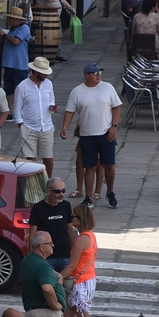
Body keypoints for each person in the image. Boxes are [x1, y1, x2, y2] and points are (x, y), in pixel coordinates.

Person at [61, 62, 121, 210]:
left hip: (106, 133)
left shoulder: (107, 88)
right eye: (95, 73)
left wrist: (114, 126)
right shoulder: (77, 91)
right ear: (87, 75)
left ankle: (110, 192)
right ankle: (88, 197)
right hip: (87, 134)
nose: (98, 75)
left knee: (109, 165)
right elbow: (70, 111)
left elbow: (116, 106)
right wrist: (65, 127)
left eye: (99, 72)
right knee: (90, 167)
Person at [57, 204, 99, 317]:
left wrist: (59, 277)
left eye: (74, 216)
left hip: (80, 283)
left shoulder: (81, 239)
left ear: (80, 220)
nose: (72, 218)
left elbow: (72, 265)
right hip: (86, 280)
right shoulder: (90, 236)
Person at [20, 231, 67, 317]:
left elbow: (38, 274)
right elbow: (46, 288)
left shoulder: (27, 261)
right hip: (47, 316)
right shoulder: (42, 266)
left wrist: (55, 274)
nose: (53, 245)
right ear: (41, 247)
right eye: (49, 243)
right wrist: (56, 305)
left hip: (32, 313)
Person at [14, 58, 58, 176]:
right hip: (29, 127)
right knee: (29, 160)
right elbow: (17, 108)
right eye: (44, 73)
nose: (46, 76)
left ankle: (49, 181)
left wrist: (52, 108)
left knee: (48, 158)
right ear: (36, 72)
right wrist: (21, 126)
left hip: (47, 127)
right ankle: (30, 184)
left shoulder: (49, 84)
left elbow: (51, 101)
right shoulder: (22, 87)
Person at [27, 178, 73, 278]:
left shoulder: (66, 205)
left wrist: (73, 250)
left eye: (63, 191)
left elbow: (71, 230)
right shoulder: (38, 208)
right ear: (49, 191)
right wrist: (32, 255)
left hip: (65, 255)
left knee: (66, 288)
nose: (61, 194)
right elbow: (32, 234)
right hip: (47, 257)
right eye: (57, 191)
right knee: (47, 285)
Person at [0, 7, 32, 113]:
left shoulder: (24, 28)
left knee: (22, 90)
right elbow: (8, 43)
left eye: (12, 19)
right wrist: (1, 38)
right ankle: (9, 112)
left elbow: (16, 41)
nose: (10, 21)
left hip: (19, 65)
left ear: (18, 19)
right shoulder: (12, 29)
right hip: (9, 64)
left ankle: (25, 111)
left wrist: (4, 35)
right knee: (9, 90)